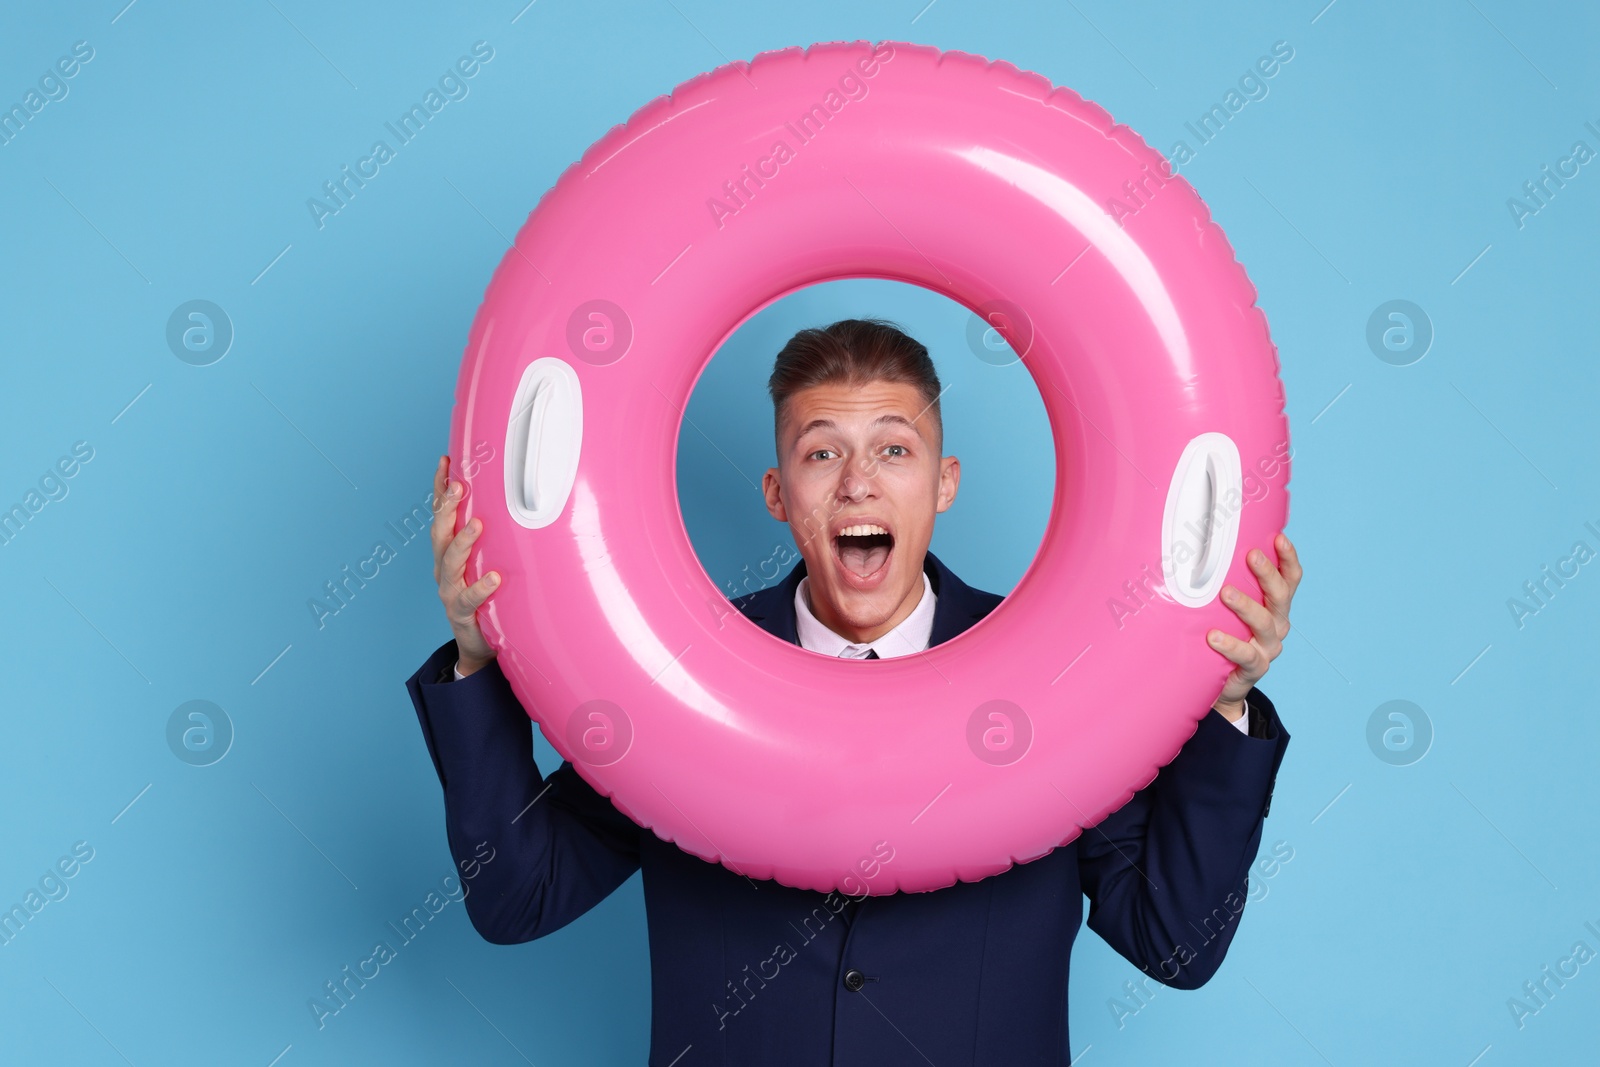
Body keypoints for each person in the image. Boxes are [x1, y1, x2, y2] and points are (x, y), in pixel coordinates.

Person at [406, 318, 1299, 1065]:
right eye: (821, 451)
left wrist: (1225, 703)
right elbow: (518, 897)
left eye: (894, 450)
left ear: (943, 485)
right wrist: (479, 660)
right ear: (778, 494)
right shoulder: (673, 673)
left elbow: (1177, 941)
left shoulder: (1056, 676)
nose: (858, 481)